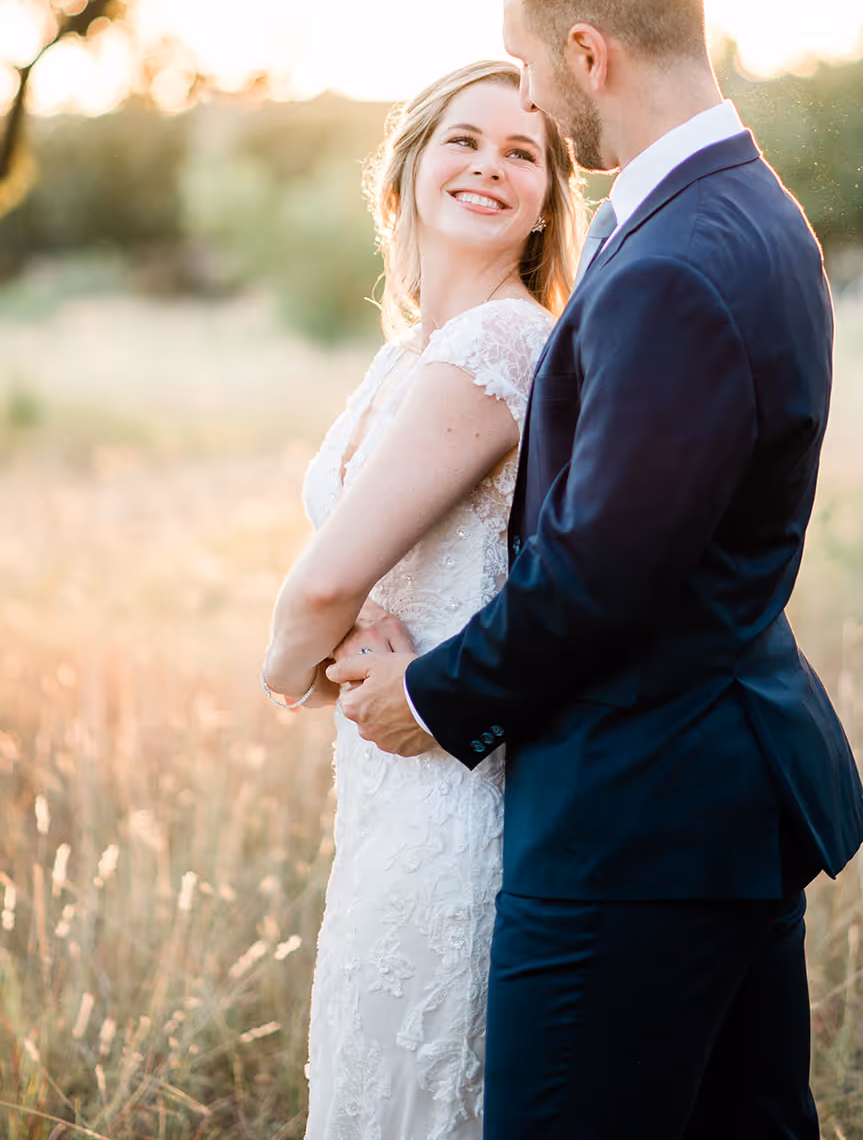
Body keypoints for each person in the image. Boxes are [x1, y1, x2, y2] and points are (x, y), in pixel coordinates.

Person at [334, 0, 863, 1139]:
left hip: (639, 825)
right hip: (711, 798)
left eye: (528, 63)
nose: (526, 96)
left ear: (588, 52)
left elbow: (604, 571)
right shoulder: (743, 210)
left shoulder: (681, 256)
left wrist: (430, 697)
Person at [261, 58, 585, 1140]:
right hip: (382, 783)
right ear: (405, 171)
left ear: (544, 207)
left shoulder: (503, 340)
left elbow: (325, 576)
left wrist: (288, 667)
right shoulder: (411, 352)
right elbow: (356, 570)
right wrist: (346, 639)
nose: (490, 165)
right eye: (465, 138)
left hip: (449, 783)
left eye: (521, 152)